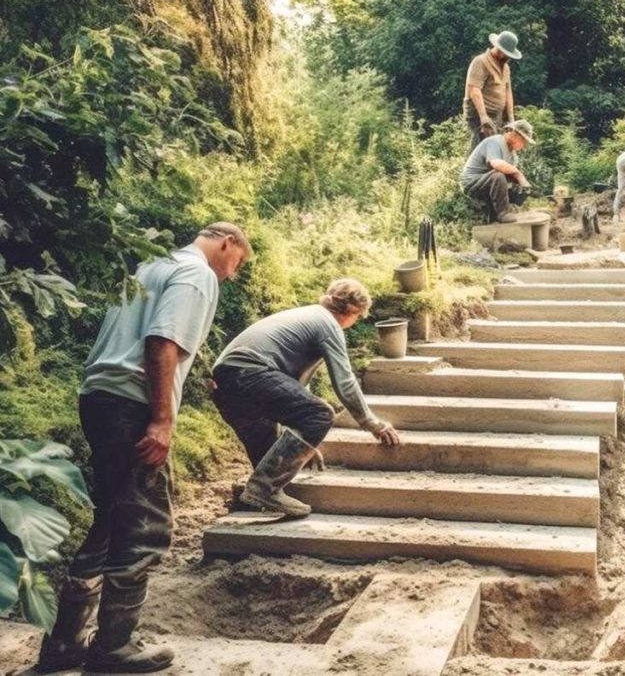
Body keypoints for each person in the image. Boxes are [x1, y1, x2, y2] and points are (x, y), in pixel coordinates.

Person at [36, 223, 251, 674]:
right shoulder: (198, 273)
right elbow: (161, 342)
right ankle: (114, 646)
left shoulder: (152, 263)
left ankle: (64, 643)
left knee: (110, 517)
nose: (231, 274)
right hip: (132, 406)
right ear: (227, 243)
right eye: (238, 263)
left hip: (99, 396)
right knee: (145, 526)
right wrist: (161, 419)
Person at [211, 278, 401, 518]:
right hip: (250, 373)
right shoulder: (327, 324)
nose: (354, 323)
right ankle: (264, 488)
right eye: (358, 317)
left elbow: (293, 392)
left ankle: (256, 498)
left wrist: (302, 444)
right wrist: (373, 423)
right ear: (352, 311)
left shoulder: (307, 315)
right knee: (320, 414)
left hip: (225, 383)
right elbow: (344, 381)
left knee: (268, 447)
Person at [460, 120, 535, 223]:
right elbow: (496, 164)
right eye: (524, 140)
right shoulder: (494, 142)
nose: (524, 145)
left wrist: (522, 190)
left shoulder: (513, 156)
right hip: (472, 182)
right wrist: (519, 174)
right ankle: (503, 214)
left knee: (513, 181)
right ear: (514, 134)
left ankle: (501, 213)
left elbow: (508, 177)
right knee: (499, 175)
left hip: (487, 181)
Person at [464, 30, 521, 148]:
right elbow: (474, 90)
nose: (508, 57)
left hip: (497, 115)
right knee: (483, 149)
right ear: (499, 49)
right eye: (506, 54)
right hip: (480, 115)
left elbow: (508, 92)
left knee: (497, 150)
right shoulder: (480, 61)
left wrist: (511, 118)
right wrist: (483, 117)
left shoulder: (505, 68)